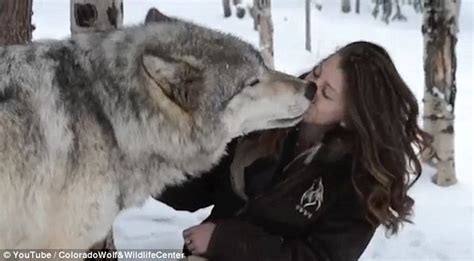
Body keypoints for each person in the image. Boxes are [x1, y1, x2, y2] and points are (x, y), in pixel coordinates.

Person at [155, 41, 431, 261]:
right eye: (317, 72)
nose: (310, 88)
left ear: (351, 116)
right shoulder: (273, 108)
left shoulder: (362, 181)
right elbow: (201, 184)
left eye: (326, 93)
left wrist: (224, 241)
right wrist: (148, 167)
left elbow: (321, 257)